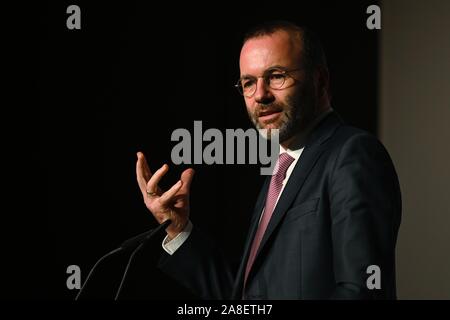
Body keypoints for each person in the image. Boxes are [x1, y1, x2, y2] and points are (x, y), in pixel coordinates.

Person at [135, 21, 401, 299]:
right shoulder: (281, 170)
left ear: (320, 81)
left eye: (276, 76)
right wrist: (178, 228)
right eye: (249, 82)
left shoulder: (353, 154)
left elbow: (362, 292)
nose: (260, 95)